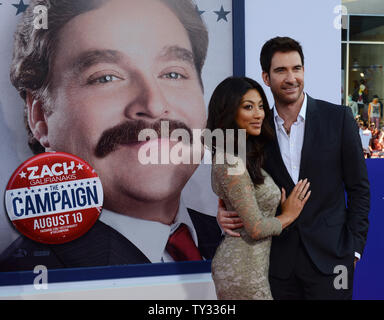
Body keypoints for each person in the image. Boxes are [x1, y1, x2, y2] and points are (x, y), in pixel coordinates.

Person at [0, 0, 222, 271]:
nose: (153, 105)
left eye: (173, 74)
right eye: (106, 78)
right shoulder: (22, 275)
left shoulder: (232, 239)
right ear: (41, 118)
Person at [217, 37, 370, 300]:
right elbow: (242, 186)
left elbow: (359, 189)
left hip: (332, 261)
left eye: (296, 68)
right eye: (280, 70)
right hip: (276, 264)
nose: (291, 78)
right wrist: (224, 212)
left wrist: (353, 249)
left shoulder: (338, 119)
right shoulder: (256, 130)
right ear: (266, 77)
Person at [206, 77, 311, 300]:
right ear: (228, 111)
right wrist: (288, 215)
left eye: (261, 106)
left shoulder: (247, 153)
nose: (258, 114)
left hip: (258, 266)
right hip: (241, 271)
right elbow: (255, 228)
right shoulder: (229, 161)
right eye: (248, 107)